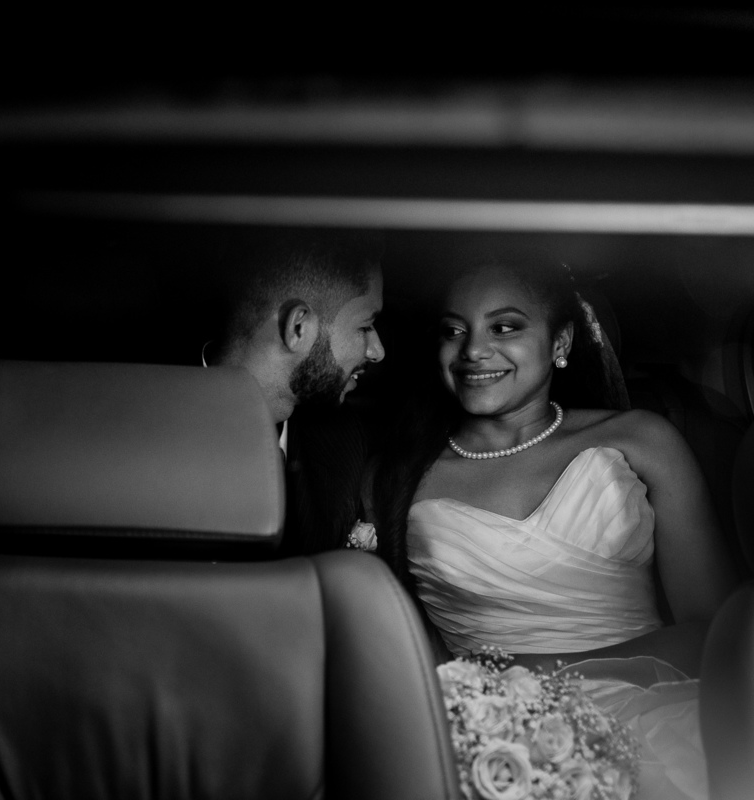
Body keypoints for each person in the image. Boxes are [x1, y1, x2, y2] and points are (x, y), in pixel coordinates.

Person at [371, 249, 739, 800]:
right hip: (481, 732)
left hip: (656, 710)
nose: (474, 350)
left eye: (505, 327)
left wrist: (537, 670)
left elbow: (717, 633)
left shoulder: (643, 441)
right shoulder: (397, 477)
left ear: (560, 342)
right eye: (454, 331)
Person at [205, 230, 385, 554]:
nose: (377, 351)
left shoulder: (342, 438)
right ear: (298, 327)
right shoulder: (141, 423)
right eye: (365, 326)